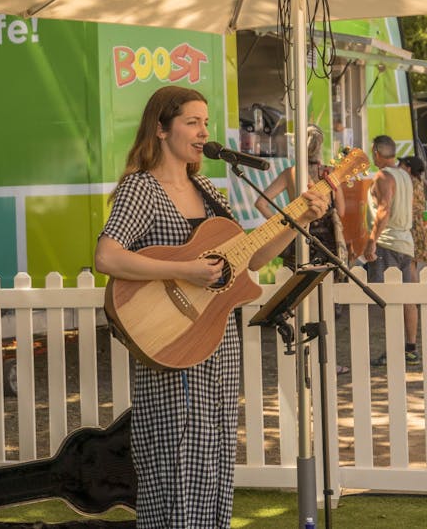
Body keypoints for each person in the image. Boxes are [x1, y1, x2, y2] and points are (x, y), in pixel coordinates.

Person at [93, 86, 329, 528]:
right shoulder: (141, 188)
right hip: (169, 342)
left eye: (205, 123)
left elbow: (252, 257)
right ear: (161, 129)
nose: (204, 132)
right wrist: (186, 270)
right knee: (178, 462)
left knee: (214, 458)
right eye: (192, 122)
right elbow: (107, 256)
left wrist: (302, 218)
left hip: (217, 343)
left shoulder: (206, 187)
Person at [254, 124, 346, 269]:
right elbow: (340, 211)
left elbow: (260, 203)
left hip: (297, 237)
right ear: (320, 145)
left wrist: (282, 225)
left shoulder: (290, 173)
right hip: (327, 245)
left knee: (297, 285)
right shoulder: (330, 174)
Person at [364, 135, 419, 366]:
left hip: (388, 243)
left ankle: (393, 349)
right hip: (406, 242)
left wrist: (371, 240)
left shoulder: (383, 176)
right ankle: (410, 348)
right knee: (407, 298)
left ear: (376, 152)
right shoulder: (404, 175)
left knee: (388, 299)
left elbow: (384, 210)